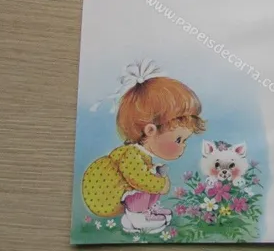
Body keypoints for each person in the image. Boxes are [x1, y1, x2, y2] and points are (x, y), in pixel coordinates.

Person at [81, 59, 206, 233]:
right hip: (107, 198)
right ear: (150, 130)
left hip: (119, 193)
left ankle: (142, 212)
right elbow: (138, 179)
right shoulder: (131, 154)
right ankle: (137, 217)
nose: (183, 146)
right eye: (179, 140)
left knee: (152, 178)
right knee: (148, 182)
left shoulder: (140, 154)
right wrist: (162, 183)